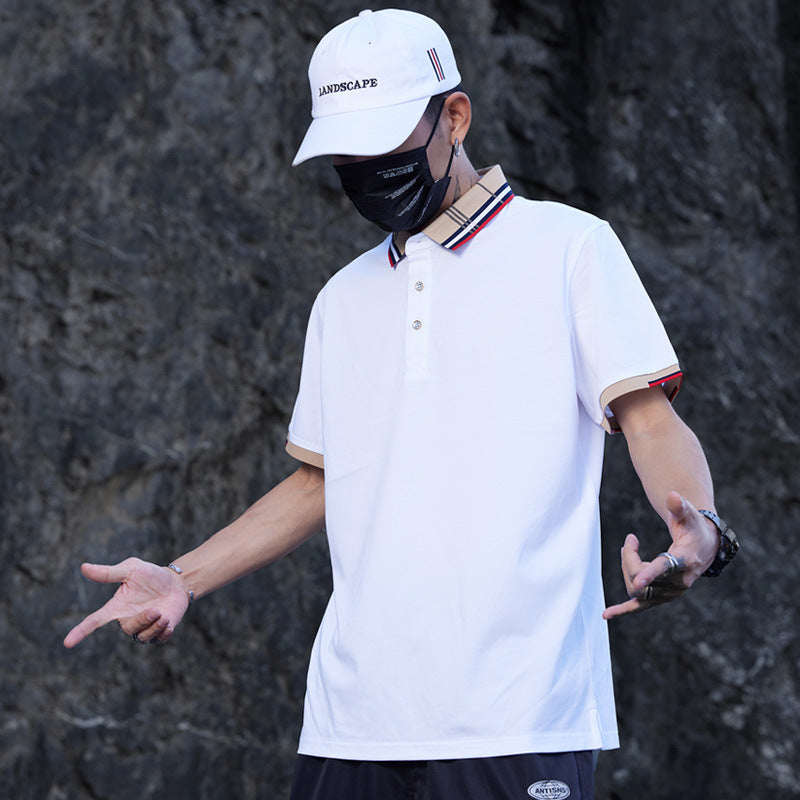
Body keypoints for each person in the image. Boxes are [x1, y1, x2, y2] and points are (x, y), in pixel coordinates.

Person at [64, 9, 739, 799]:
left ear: (455, 117)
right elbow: (318, 485)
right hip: (350, 726)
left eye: (384, 146)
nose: (367, 172)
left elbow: (650, 420)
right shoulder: (340, 300)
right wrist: (182, 577)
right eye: (348, 156)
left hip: (517, 720)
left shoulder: (570, 247)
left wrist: (698, 529)